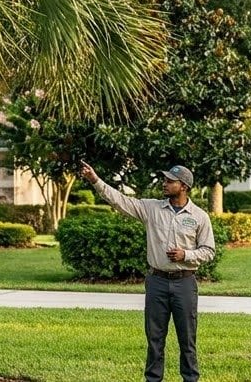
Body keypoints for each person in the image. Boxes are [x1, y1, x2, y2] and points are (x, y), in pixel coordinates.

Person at [80, 161, 215, 382]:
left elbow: (209, 251)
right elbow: (120, 200)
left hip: (185, 283)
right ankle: (153, 379)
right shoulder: (151, 208)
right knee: (155, 338)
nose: (165, 183)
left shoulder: (199, 216)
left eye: (170, 181)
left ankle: (190, 379)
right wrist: (95, 180)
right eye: (165, 180)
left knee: (187, 340)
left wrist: (186, 255)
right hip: (157, 282)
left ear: (183, 186)